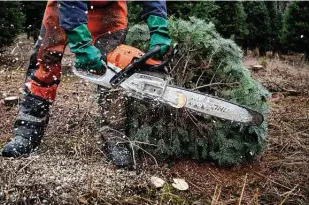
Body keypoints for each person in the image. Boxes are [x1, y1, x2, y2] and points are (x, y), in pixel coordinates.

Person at [1, 0, 171, 168]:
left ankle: (114, 135)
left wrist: (159, 26)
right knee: (46, 60)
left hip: (110, 8)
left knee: (114, 70)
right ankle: (28, 129)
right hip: (65, 4)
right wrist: (82, 46)